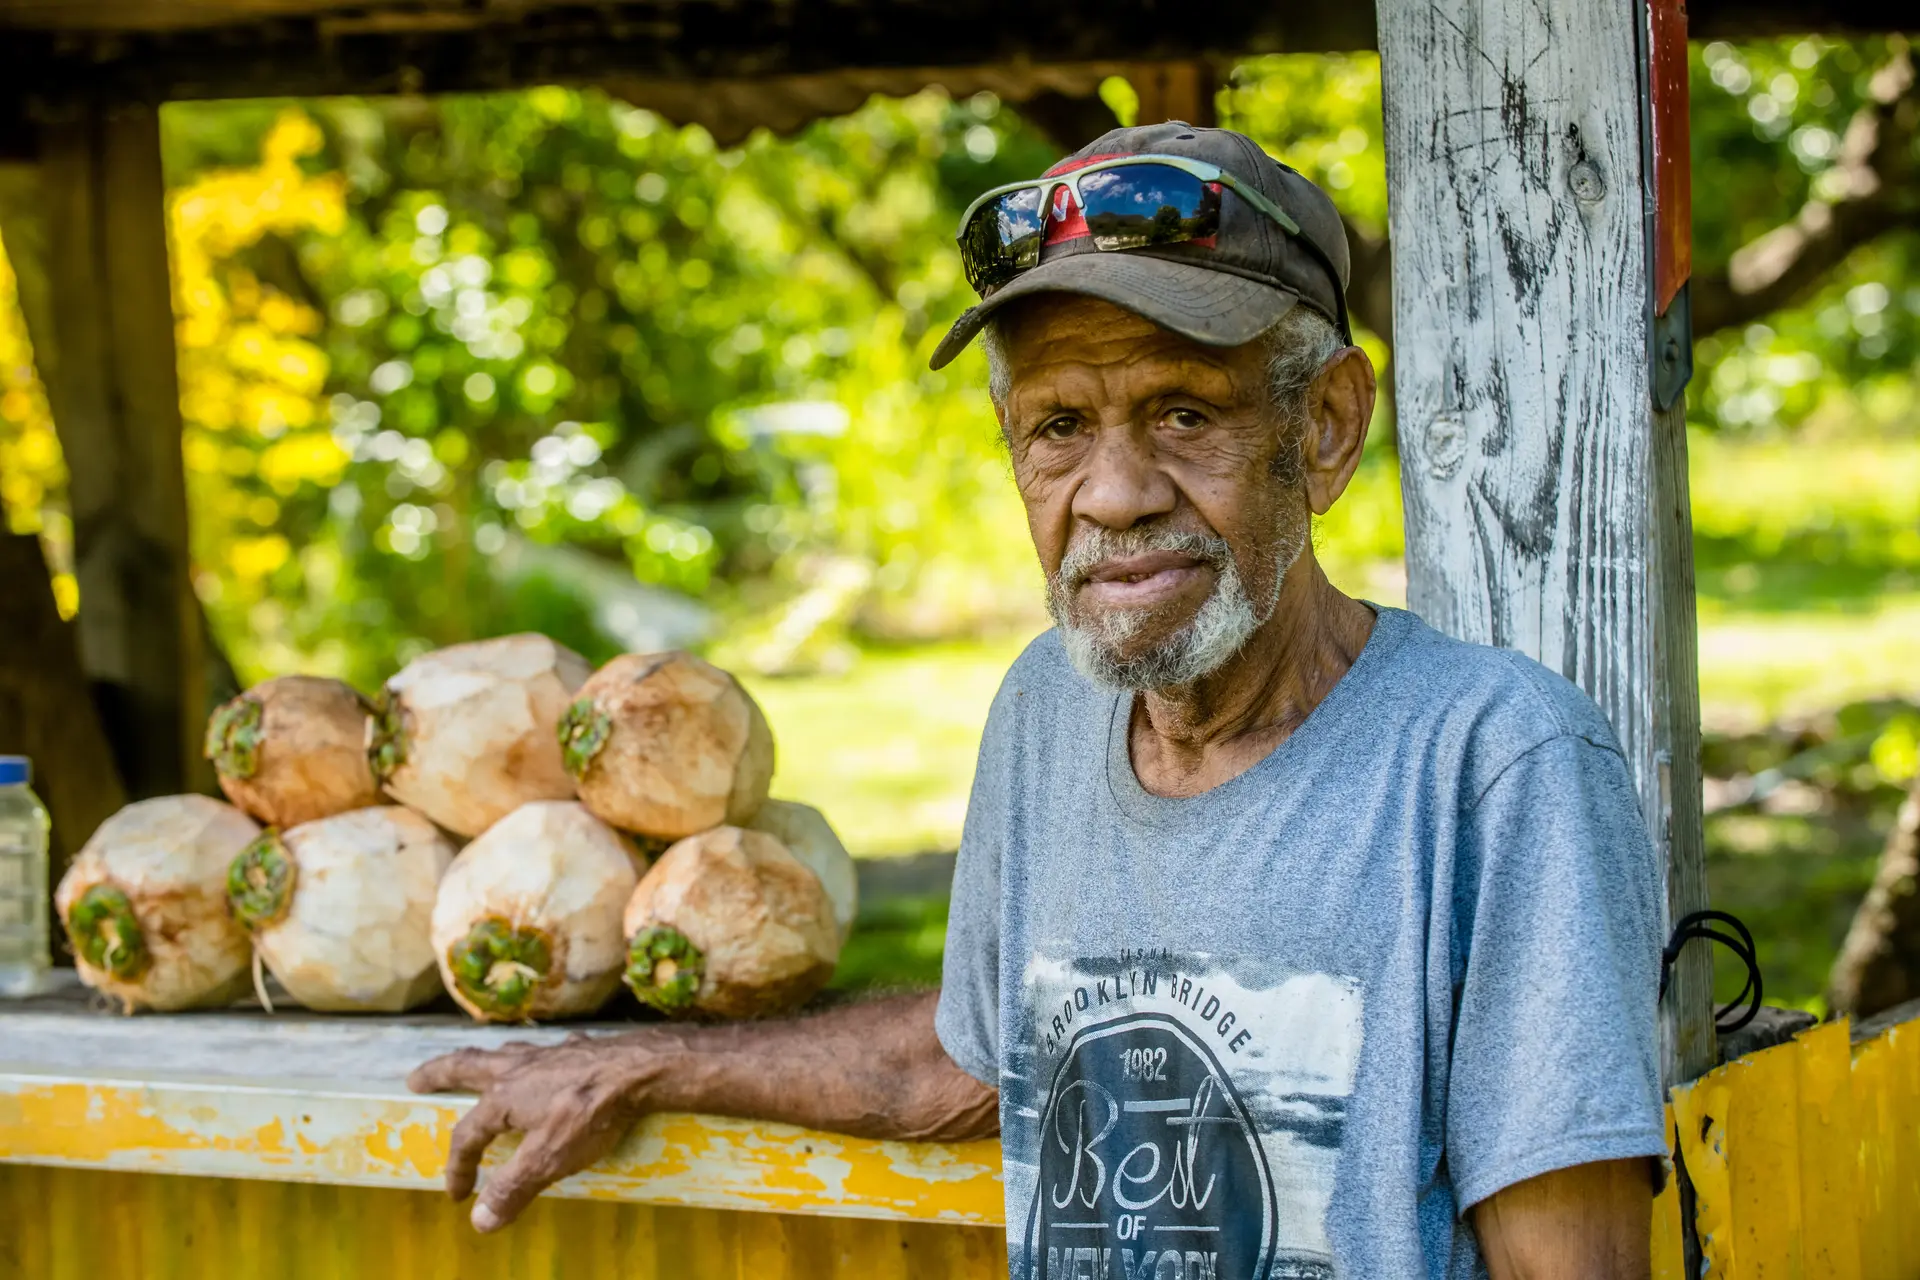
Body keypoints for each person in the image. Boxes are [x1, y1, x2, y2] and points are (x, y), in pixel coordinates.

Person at [410, 123, 1666, 1279]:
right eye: (1058, 425)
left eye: (1184, 411)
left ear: (1326, 427)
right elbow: (974, 1058)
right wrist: (645, 1061)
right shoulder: (1048, 708)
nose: (1114, 494)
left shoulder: (1497, 763)